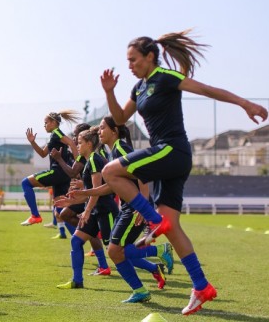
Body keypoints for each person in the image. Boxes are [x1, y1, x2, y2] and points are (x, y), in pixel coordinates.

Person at [99, 30, 267, 314]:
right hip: (167, 158)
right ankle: (201, 286)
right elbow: (119, 119)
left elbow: (208, 90)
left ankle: (153, 222)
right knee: (172, 226)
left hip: (173, 150)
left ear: (150, 56)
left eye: (134, 60)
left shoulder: (166, 77)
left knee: (111, 171)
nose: (129, 65)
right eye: (127, 61)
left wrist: (245, 104)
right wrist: (109, 92)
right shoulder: (138, 88)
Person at [69, 116, 174, 302]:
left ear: (114, 131)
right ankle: (144, 283)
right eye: (99, 129)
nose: (100, 132)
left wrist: (142, 206)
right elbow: (111, 186)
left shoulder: (122, 149)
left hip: (133, 209)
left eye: (103, 128)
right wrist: (86, 193)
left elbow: (141, 177)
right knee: (117, 251)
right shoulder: (113, 153)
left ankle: (156, 258)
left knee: (115, 251)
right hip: (127, 208)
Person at [55, 127, 118, 289]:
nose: (76, 145)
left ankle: (155, 258)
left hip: (105, 210)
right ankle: (77, 281)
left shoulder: (95, 160)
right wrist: (68, 203)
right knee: (76, 241)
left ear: (89, 144)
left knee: (118, 250)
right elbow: (90, 192)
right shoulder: (89, 160)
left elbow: (96, 191)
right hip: (96, 211)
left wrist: (87, 210)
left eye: (80, 142)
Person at [20, 110, 80, 226]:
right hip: (63, 175)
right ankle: (80, 235)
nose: (44, 126)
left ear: (53, 122)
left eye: (46, 123)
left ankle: (35, 216)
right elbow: (43, 153)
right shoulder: (54, 136)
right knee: (60, 209)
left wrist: (77, 165)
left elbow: (72, 143)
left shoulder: (57, 133)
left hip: (57, 172)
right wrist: (33, 142)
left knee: (25, 183)